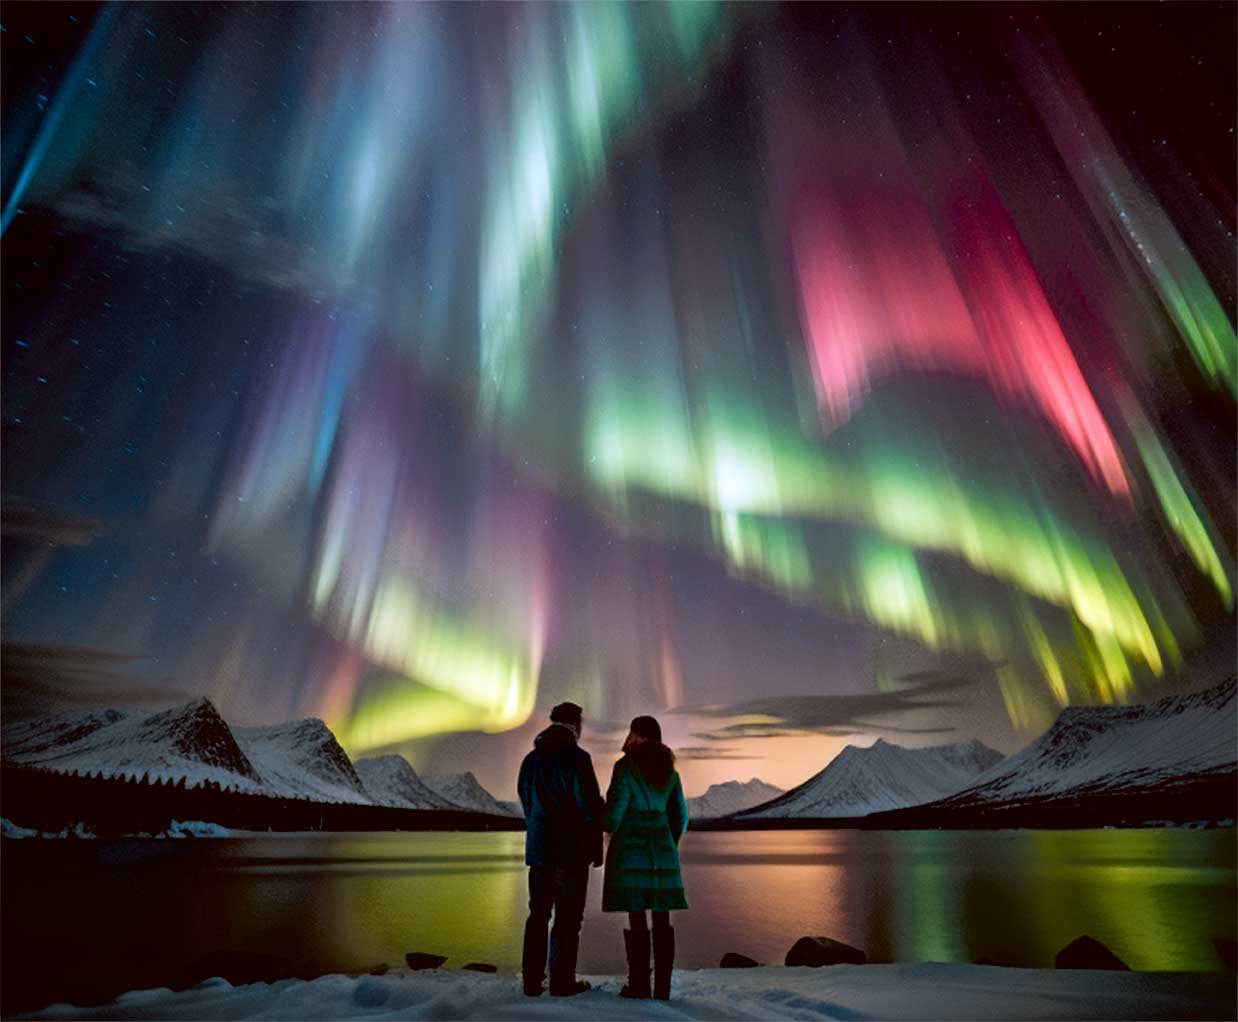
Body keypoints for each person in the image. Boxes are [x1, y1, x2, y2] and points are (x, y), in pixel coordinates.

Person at [517, 701, 604, 998]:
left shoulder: (531, 760)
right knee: (568, 918)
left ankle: (531, 982)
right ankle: (561, 982)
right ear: (576, 724)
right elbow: (589, 806)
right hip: (570, 852)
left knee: (538, 914)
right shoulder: (578, 759)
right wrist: (595, 845)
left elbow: (526, 802)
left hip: (539, 852)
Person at [602, 715, 688, 1000]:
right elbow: (681, 817)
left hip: (631, 852)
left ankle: (639, 985)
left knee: (637, 916)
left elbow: (614, 815)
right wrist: (668, 845)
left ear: (638, 736)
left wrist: (605, 827)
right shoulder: (671, 773)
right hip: (663, 851)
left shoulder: (625, 768)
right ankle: (662, 988)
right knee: (662, 917)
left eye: (633, 733)